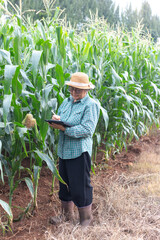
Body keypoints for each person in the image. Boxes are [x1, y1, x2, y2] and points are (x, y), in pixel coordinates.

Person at [49, 72, 100, 227]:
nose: (73, 92)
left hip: (79, 152)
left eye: (77, 90)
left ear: (86, 90)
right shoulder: (66, 102)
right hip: (64, 151)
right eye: (72, 89)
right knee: (64, 184)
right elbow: (64, 119)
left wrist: (64, 129)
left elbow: (87, 129)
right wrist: (57, 120)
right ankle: (66, 215)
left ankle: (86, 219)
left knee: (80, 186)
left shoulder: (91, 105)